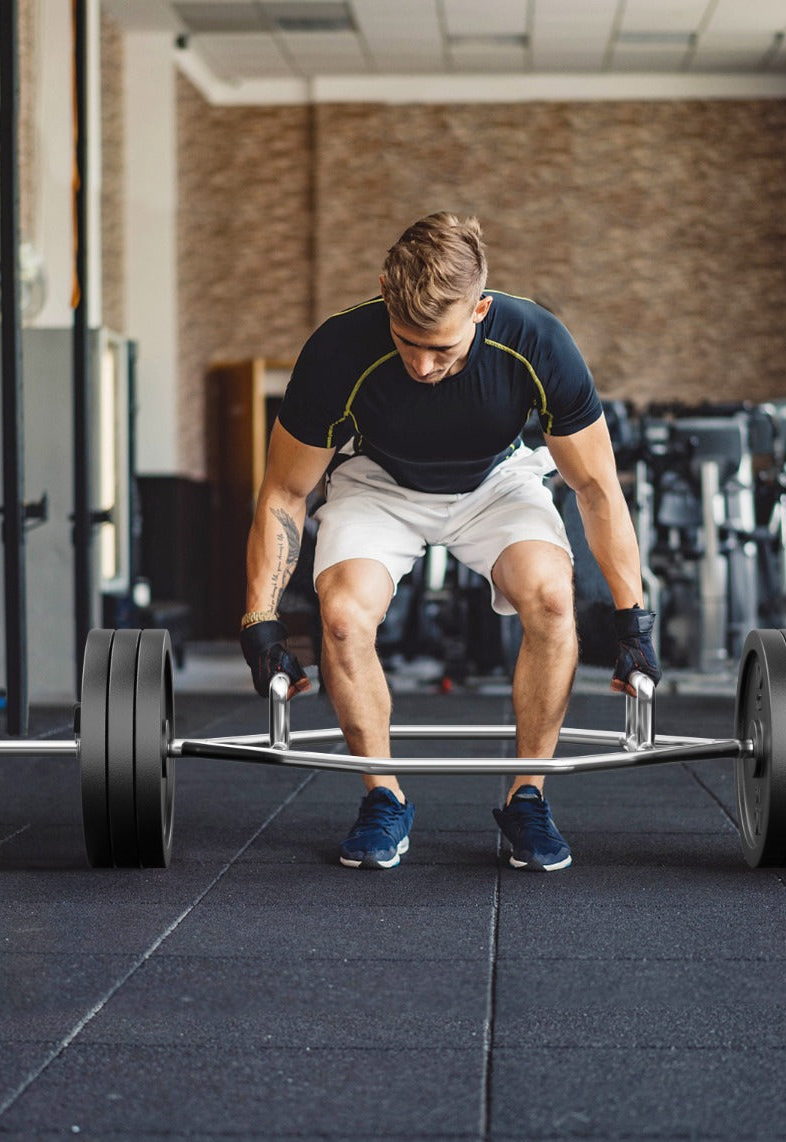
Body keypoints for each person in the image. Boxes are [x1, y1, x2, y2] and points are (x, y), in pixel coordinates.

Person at [239, 212, 661, 872]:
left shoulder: (537, 342)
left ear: (482, 310)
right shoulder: (337, 353)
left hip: (497, 481)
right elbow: (285, 493)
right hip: (378, 484)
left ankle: (529, 797)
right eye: (410, 344)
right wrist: (260, 623)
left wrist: (633, 618)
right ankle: (383, 799)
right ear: (385, 294)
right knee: (344, 619)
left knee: (553, 600)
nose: (425, 365)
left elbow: (598, 488)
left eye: (446, 349)